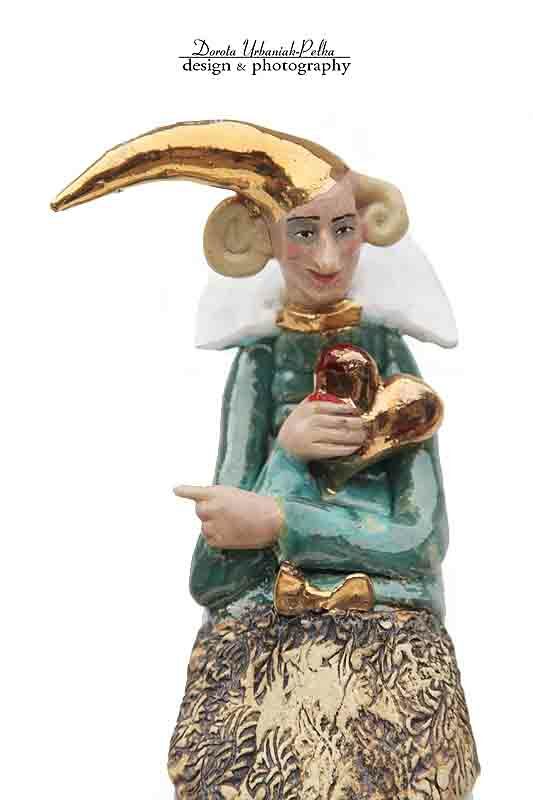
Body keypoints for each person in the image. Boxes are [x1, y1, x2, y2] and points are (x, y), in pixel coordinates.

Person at [52, 120, 479, 799]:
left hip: (389, 651)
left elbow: (421, 540)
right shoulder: (256, 366)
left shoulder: (395, 365)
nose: (327, 257)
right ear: (260, 239)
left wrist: (281, 520)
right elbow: (213, 569)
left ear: (369, 226)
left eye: (343, 228)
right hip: (260, 652)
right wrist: (285, 456)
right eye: (303, 232)